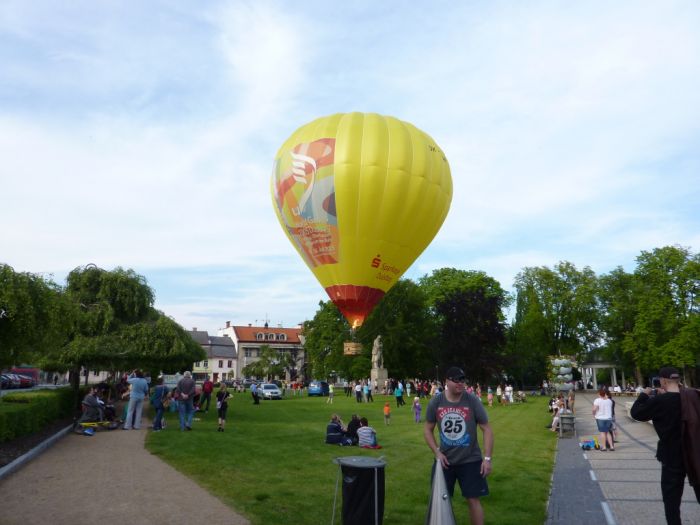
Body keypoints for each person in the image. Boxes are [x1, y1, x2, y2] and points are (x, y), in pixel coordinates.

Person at [631, 367, 700, 525]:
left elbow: (636, 413)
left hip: (671, 457)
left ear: (662, 381)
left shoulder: (660, 401)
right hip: (694, 453)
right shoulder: (693, 396)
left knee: (672, 501)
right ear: (678, 380)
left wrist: (644, 395)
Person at [425, 366, 493, 525]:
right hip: (444, 461)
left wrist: (487, 458)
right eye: (456, 380)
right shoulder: (436, 401)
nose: (460, 383)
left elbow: (487, 428)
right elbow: (428, 429)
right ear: (446, 381)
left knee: (473, 500)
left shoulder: (472, 401)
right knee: (439, 499)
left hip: (470, 460)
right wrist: (437, 452)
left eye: (462, 380)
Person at [592, 386, 614, 451]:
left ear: (599, 394)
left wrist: (593, 413)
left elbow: (594, 409)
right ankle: (611, 446)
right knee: (607, 432)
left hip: (600, 418)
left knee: (602, 432)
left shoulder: (597, 400)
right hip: (608, 418)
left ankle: (604, 447)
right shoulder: (610, 401)